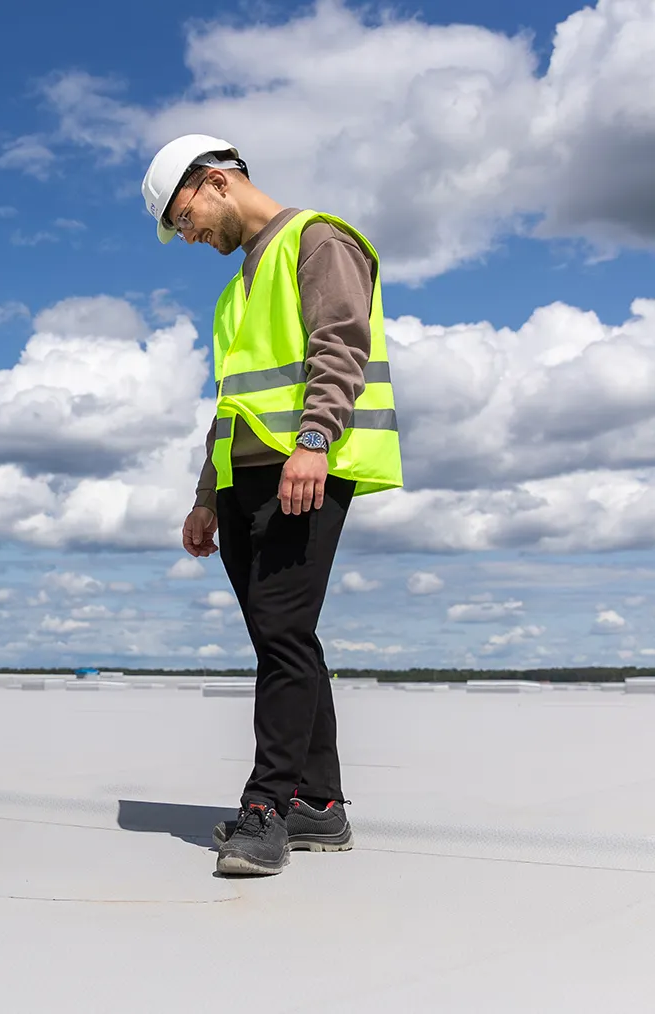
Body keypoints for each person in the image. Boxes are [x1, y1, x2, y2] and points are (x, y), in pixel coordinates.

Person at [141, 134, 404, 876]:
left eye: (184, 215)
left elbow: (340, 343)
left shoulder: (317, 239)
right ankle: (319, 805)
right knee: (282, 640)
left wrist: (315, 440)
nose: (187, 234)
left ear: (217, 182)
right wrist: (206, 496)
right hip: (246, 480)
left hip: (304, 470)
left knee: (284, 632)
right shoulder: (238, 289)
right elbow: (231, 403)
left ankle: (267, 810)